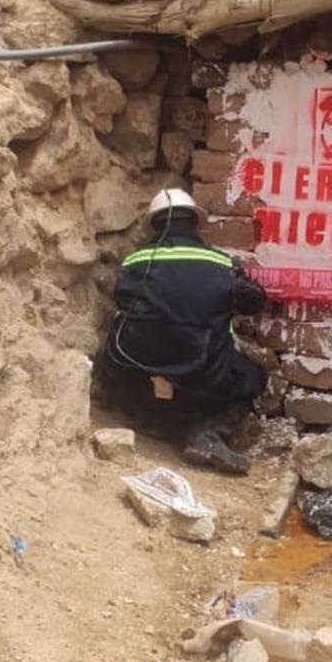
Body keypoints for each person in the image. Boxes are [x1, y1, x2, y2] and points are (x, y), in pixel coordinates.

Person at [97, 188, 269, 474]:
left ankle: (151, 419)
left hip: (138, 372)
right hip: (203, 375)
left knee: (116, 359)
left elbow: (123, 299)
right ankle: (207, 433)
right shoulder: (220, 263)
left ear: (154, 225)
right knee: (253, 377)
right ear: (194, 224)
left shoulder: (134, 262)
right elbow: (255, 301)